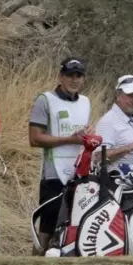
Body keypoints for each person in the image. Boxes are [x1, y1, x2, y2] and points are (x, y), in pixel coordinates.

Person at [28, 57, 92, 254]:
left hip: (79, 173)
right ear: (60, 76)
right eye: (69, 75)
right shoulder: (45, 100)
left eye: (78, 75)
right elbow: (35, 139)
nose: (74, 80)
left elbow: (84, 134)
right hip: (53, 174)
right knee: (47, 227)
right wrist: (69, 140)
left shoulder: (85, 102)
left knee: (75, 225)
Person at [93, 75, 133, 173]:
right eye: (130, 95)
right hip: (116, 185)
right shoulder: (109, 121)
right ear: (118, 95)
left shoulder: (132, 119)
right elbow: (97, 157)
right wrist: (131, 147)